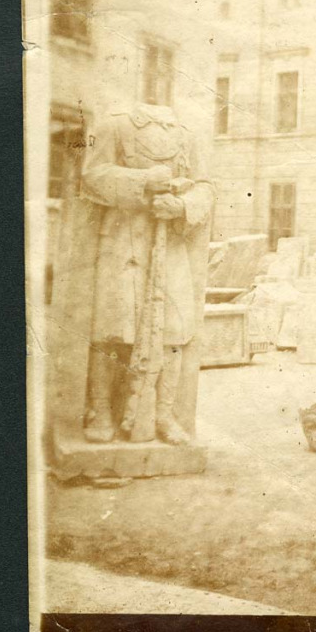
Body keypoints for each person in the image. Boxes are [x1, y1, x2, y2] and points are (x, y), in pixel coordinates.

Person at [80, 102, 214, 444]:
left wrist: (181, 206)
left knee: (173, 331)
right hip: (122, 239)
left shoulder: (186, 135)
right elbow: (92, 176)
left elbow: (205, 187)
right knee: (113, 327)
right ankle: (101, 409)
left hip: (170, 242)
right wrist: (143, 180)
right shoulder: (113, 124)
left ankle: (163, 414)